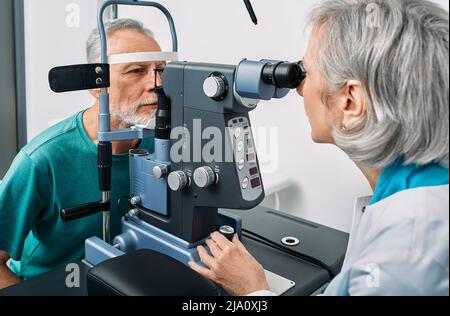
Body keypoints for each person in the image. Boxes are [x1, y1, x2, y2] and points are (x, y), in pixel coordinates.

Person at [189, 0, 449, 296]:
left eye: (307, 72)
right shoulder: (417, 191)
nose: (299, 87)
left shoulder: (406, 260)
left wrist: (254, 291)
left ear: (350, 102)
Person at [0, 18, 164, 289]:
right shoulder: (43, 160)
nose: (155, 83)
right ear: (96, 86)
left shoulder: (163, 146)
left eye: (161, 70)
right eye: (136, 70)